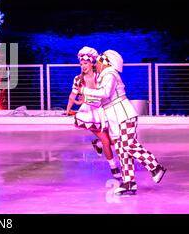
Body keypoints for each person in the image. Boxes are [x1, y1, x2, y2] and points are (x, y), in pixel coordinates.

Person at [79, 50, 167, 195]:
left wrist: (85, 90)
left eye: (100, 61)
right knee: (121, 150)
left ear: (106, 62)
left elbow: (106, 93)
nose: (97, 64)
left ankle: (156, 167)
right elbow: (101, 98)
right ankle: (129, 182)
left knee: (128, 145)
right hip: (115, 118)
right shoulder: (103, 76)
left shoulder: (110, 74)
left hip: (124, 115)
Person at [66, 47, 121, 180]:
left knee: (114, 140)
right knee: (106, 141)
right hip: (89, 113)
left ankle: (97, 143)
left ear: (91, 63)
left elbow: (105, 93)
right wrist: (68, 109)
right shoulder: (78, 79)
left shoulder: (100, 76)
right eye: (81, 64)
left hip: (103, 111)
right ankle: (114, 169)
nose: (83, 66)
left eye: (85, 63)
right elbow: (72, 95)